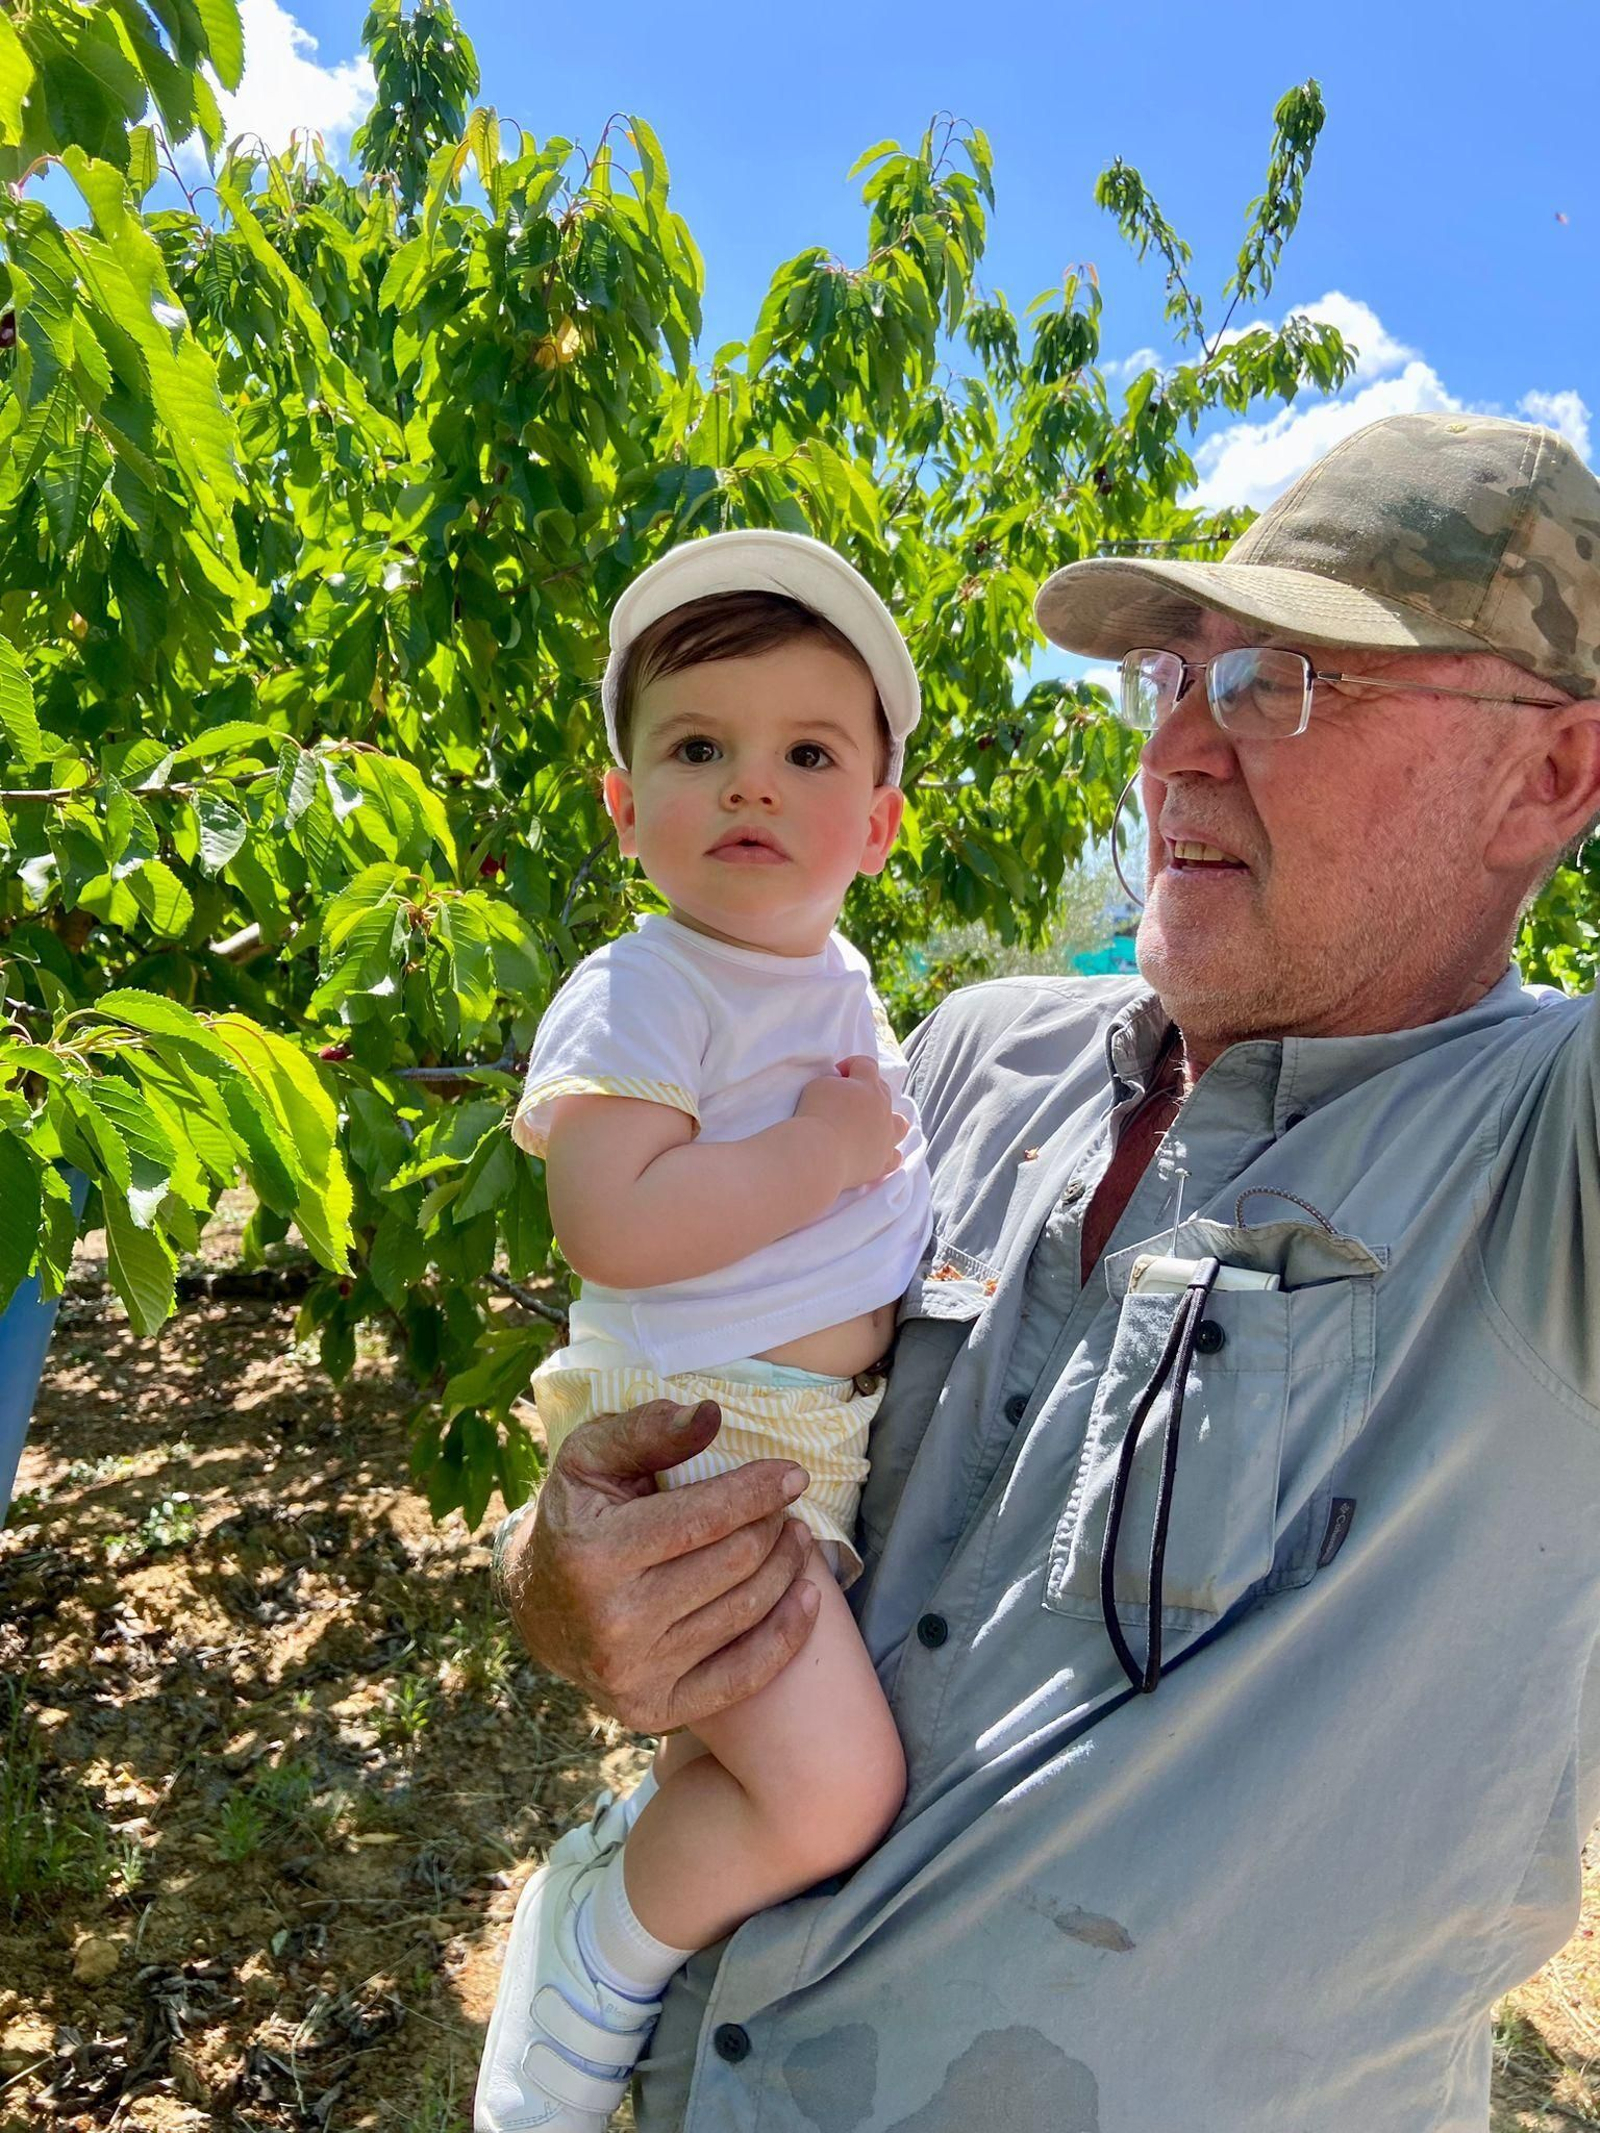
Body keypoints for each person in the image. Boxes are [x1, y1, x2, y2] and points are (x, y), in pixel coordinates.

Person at [490, 411, 1600, 2132]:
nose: (1177, 755)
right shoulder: (960, 1056)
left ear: (1550, 776)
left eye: (1285, 687)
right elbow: (691, 1348)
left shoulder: (1547, 1166)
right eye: (1177, 676)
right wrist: (566, 1572)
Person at [475, 531, 933, 2132]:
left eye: (807, 751)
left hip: (798, 1438)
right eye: (696, 746)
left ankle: (635, 1909)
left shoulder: (840, 983)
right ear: (622, 804)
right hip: (697, 1431)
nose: (752, 784)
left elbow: (872, 1195)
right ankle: (587, 1959)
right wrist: (819, 1155)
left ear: (876, 824)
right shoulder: (642, 985)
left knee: (752, 1770)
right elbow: (612, 1219)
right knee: (836, 1789)